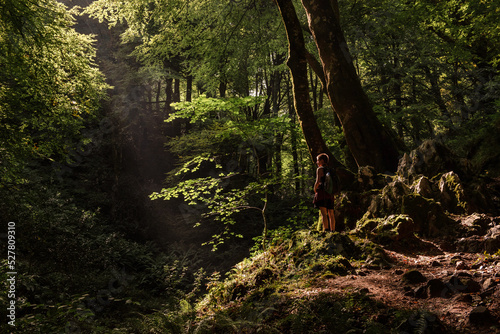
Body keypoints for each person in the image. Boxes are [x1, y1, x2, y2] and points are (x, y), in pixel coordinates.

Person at [313, 153, 335, 232]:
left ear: (322, 161)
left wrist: (315, 189)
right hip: (330, 193)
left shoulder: (320, 169)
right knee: (331, 213)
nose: (317, 162)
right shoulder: (331, 170)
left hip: (322, 193)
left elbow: (317, 181)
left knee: (323, 213)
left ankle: (326, 230)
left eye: (318, 160)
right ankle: (333, 231)